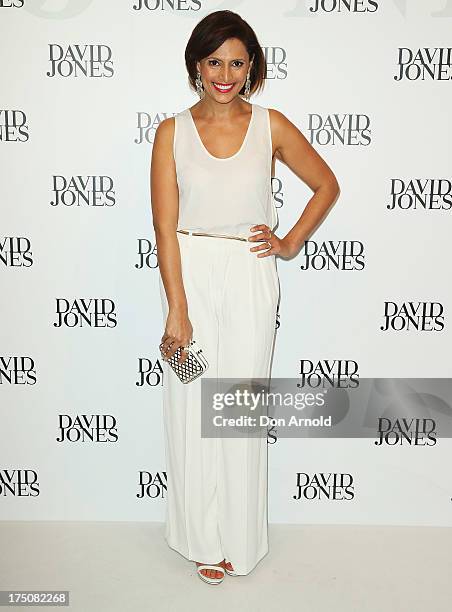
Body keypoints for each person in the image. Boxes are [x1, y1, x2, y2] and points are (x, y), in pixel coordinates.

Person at [150, 10, 340, 585]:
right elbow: (164, 227)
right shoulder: (170, 133)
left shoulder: (272, 125)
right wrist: (177, 309)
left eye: (236, 62)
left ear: (252, 66)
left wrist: (288, 242)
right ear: (196, 67)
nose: (224, 74)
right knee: (191, 409)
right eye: (214, 62)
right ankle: (200, 538)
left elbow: (327, 184)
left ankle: (239, 538)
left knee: (237, 409)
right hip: (190, 275)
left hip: (251, 272)